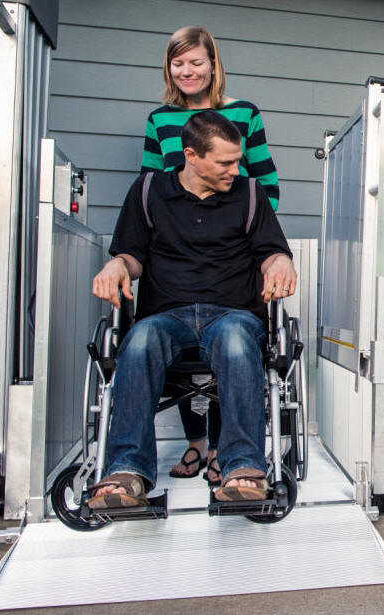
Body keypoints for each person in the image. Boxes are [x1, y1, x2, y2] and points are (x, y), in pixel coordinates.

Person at [88, 111, 295, 507]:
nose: (236, 169)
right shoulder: (148, 191)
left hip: (232, 315)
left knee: (236, 342)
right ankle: (128, 473)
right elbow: (132, 256)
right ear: (191, 155)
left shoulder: (250, 194)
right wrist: (116, 265)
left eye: (238, 160)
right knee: (139, 339)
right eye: (225, 162)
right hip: (167, 316)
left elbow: (270, 253)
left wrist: (280, 262)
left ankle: (242, 470)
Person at [141, 25, 281, 485]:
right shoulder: (160, 119)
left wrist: (252, 234)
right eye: (178, 63)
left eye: (196, 62)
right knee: (173, 321)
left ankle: (224, 448)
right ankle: (196, 442)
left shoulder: (244, 113)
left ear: (213, 64)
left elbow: (263, 181)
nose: (187, 71)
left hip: (232, 247)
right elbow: (151, 187)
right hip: (178, 248)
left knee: (230, 335)